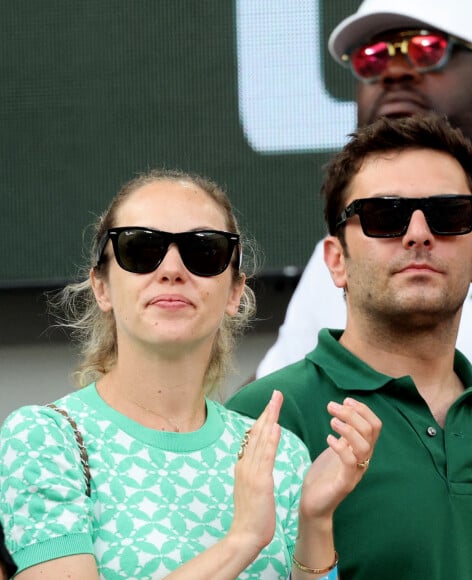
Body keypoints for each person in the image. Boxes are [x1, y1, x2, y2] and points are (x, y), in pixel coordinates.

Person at [228, 114, 472, 579]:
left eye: (449, 214)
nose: (418, 233)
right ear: (336, 262)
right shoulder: (260, 421)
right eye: (384, 216)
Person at [0, 169, 381, 579]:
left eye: (205, 252)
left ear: (235, 292)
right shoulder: (44, 439)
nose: (171, 269)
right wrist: (242, 540)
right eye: (140, 248)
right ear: (102, 286)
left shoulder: (281, 455)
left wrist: (316, 520)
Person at [255, 0, 472, 469]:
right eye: (372, 60)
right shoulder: (361, 236)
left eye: (426, 51)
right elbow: (272, 413)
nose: (393, 72)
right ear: (337, 259)